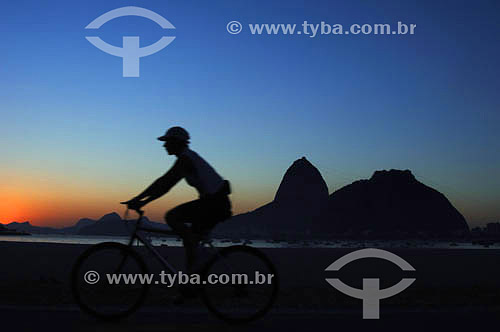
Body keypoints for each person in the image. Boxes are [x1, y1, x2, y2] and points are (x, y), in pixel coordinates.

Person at [121, 126, 232, 273]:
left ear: (176, 142)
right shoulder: (186, 157)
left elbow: (165, 183)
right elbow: (164, 184)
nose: (164, 145)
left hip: (214, 204)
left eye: (167, 141)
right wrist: (141, 200)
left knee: (173, 217)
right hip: (213, 203)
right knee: (190, 241)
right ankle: (191, 282)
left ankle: (193, 274)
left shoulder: (186, 159)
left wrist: (140, 200)